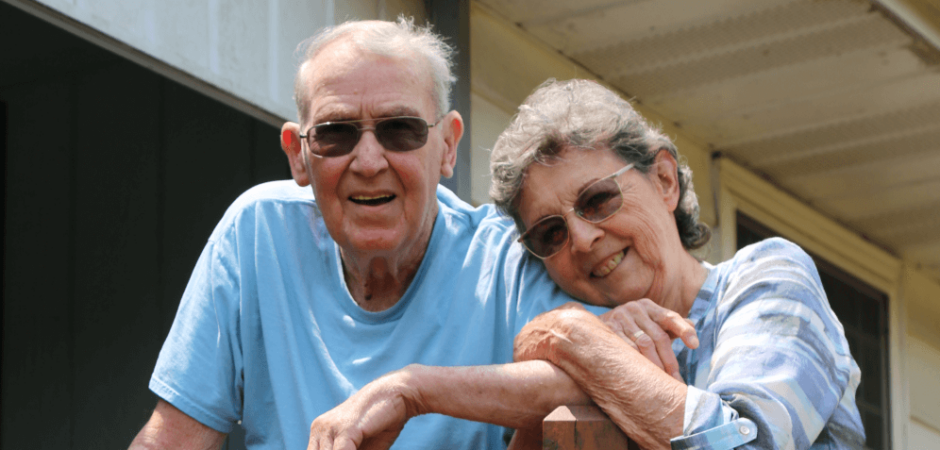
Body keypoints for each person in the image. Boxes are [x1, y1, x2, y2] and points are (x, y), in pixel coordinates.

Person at [128, 19, 603, 450]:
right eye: (337, 133)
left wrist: (413, 389)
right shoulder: (257, 234)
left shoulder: (506, 259)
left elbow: (602, 376)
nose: (370, 162)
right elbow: (173, 438)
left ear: (448, 147)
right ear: (298, 155)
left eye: (400, 129)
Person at [490, 79, 867, 449]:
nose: (583, 240)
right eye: (551, 233)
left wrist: (572, 339)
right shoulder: (591, 350)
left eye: (597, 199)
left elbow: (743, 445)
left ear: (665, 180)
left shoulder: (769, 276)